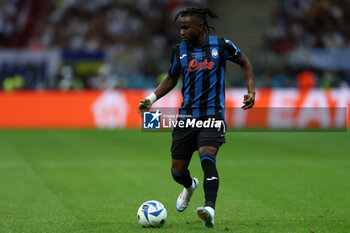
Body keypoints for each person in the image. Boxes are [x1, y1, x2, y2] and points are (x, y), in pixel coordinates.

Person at [137, 7, 255, 228]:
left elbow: (245, 63)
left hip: (213, 114)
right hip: (187, 117)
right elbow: (172, 78)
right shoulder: (179, 51)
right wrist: (152, 99)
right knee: (177, 172)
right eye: (180, 28)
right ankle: (190, 186)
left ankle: (209, 208)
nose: (181, 32)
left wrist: (251, 90)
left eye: (185, 28)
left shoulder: (221, 46)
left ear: (199, 27)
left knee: (207, 156)